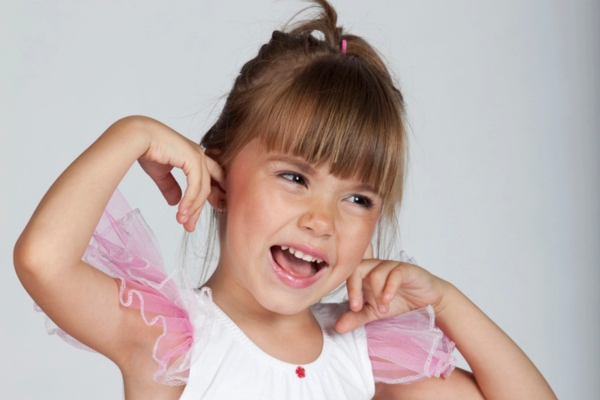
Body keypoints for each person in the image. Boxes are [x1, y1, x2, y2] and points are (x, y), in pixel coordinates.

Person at [13, 0, 556, 398]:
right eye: (295, 178)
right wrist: (130, 134)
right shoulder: (170, 344)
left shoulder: (366, 358)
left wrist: (446, 302)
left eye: (359, 199)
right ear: (218, 177)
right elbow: (43, 261)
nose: (322, 221)